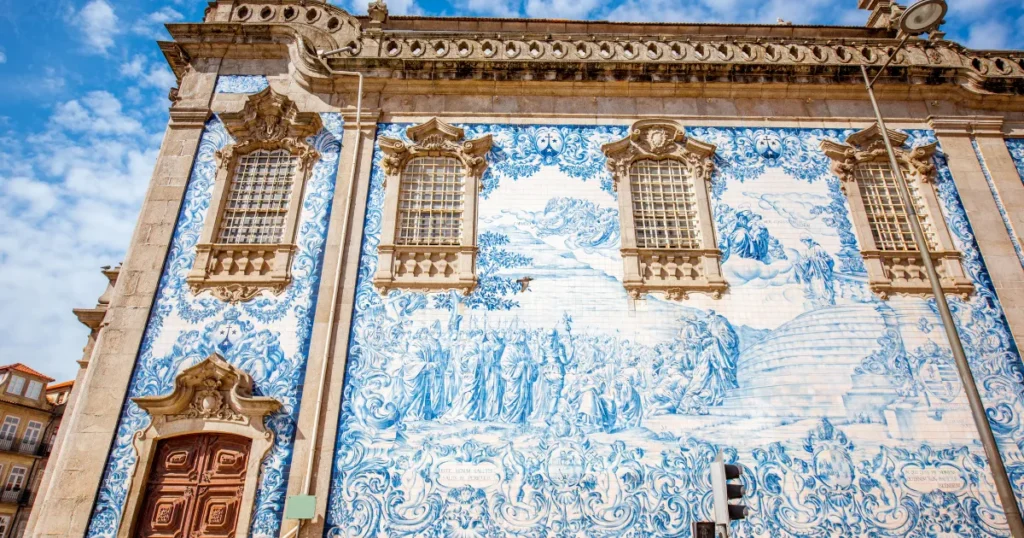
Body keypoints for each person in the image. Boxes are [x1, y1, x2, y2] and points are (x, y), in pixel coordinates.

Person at [500, 331, 537, 425]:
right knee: (512, 396)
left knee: (524, 396)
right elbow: (505, 364)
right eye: (522, 335)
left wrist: (529, 365)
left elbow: (531, 360)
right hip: (514, 378)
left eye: (525, 335)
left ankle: (520, 419)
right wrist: (520, 366)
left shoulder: (525, 347)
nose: (524, 337)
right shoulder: (509, 348)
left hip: (524, 378)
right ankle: (509, 418)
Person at [795, 235, 836, 306]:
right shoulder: (809, 250)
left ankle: (827, 302)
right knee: (816, 287)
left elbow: (828, 259)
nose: (805, 243)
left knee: (822, 286)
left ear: (809, 241)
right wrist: (805, 262)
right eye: (803, 242)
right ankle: (821, 302)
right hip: (813, 272)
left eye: (805, 241)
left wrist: (816, 260)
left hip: (821, 272)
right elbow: (808, 261)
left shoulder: (817, 248)